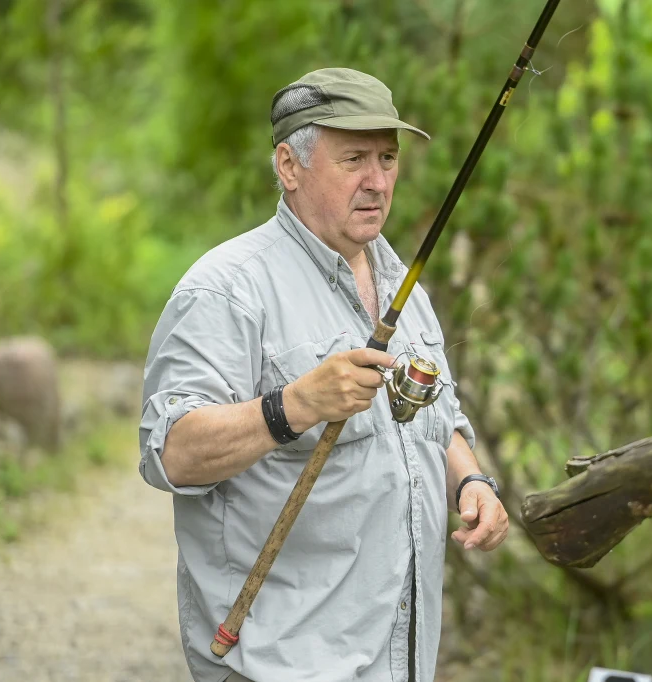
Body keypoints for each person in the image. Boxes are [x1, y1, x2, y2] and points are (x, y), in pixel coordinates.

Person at [138, 67, 509, 682]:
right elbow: (172, 453)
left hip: (400, 663)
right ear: (289, 166)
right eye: (353, 159)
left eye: (388, 159)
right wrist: (295, 404)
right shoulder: (226, 289)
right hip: (278, 664)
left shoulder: (403, 285)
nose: (377, 182)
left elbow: (440, 421)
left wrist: (472, 483)